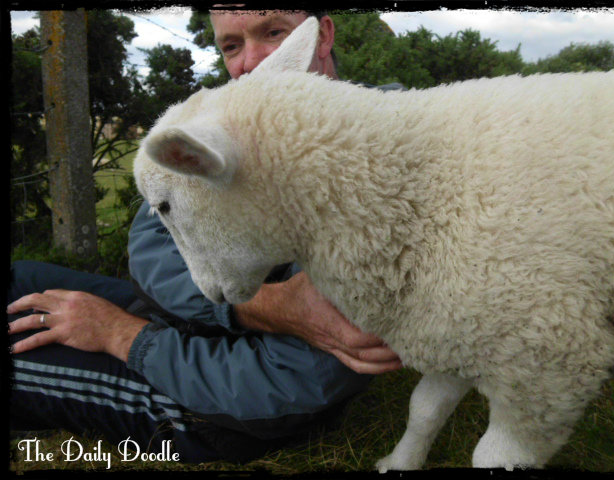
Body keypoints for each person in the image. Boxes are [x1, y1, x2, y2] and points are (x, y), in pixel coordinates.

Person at [8, 10, 403, 464]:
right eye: (231, 46)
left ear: (322, 35)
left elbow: (297, 381)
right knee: (22, 280)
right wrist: (266, 306)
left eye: (274, 31)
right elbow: (151, 241)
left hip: (219, 407)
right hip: (190, 327)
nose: (250, 63)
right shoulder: (237, 126)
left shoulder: (373, 158)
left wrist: (119, 334)